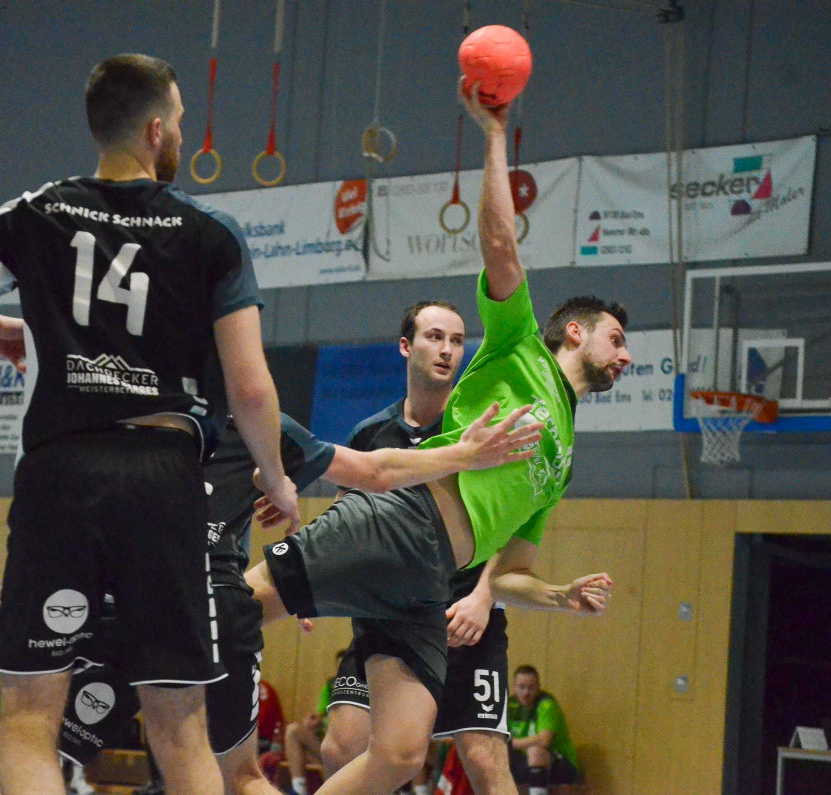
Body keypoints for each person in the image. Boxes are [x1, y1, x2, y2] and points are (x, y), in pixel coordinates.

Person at [0, 52, 302, 794]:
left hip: (61, 473)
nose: (181, 135)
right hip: (165, 477)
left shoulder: (34, 213)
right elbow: (249, 386)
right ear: (155, 130)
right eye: (180, 122)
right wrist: (276, 479)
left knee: (28, 719)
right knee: (181, 728)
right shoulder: (210, 233)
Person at [244, 80, 628, 795]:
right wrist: (494, 135)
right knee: (243, 617)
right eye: (616, 338)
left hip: (432, 582)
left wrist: (559, 594)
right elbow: (500, 242)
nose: (626, 354)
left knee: (399, 755)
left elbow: (508, 571)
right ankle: (141, 646)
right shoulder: (520, 347)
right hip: (403, 527)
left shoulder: (563, 461)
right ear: (575, 331)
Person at [0, 407, 543, 795]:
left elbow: (65, 495)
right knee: (226, 772)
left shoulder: (131, 411)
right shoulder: (254, 418)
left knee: (29, 738)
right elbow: (373, 470)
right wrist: (465, 456)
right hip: (195, 603)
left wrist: (30, 577)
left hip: (144, 597)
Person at [323, 298, 522, 795]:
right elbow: (344, 524)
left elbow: (514, 525)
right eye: (435, 337)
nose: (448, 349)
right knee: (341, 747)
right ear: (405, 346)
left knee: (484, 757)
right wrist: (311, 588)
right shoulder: (370, 434)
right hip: (388, 613)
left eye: (457, 340)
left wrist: (484, 597)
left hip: (462, 616)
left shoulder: (477, 432)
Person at [507, 665, 580, 794]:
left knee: (536, 751)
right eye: (521, 687)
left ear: (538, 687)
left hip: (560, 762)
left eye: (531, 687)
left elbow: (544, 741)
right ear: (514, 687)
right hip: (525, 760)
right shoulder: (510, 705)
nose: (526, 693)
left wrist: (511, 744)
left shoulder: (547, 705)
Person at [283, 649, 346, 795]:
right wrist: (314, 720)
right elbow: (321, 714)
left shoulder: (365, 690)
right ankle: (299, 790)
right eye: (338, 667)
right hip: (328, 746)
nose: (340, 671)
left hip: (352, 751)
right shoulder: (330, 686)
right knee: (293, 731)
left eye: (344, 667)